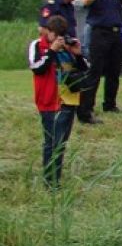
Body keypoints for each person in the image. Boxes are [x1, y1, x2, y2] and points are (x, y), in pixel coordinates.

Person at [29, 16, 87, 188]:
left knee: (61, 143)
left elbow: (85, 69)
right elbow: (37, 68)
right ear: (48, 32)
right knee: (52, 142)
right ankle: (49, 181)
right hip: (49, 101)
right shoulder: (38, 45)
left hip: (68, 100)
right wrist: (51, 51)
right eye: (55, 35)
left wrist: (77, 54)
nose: (58, 39)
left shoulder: (67, 48)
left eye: (61, 35)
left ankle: (56, 178)